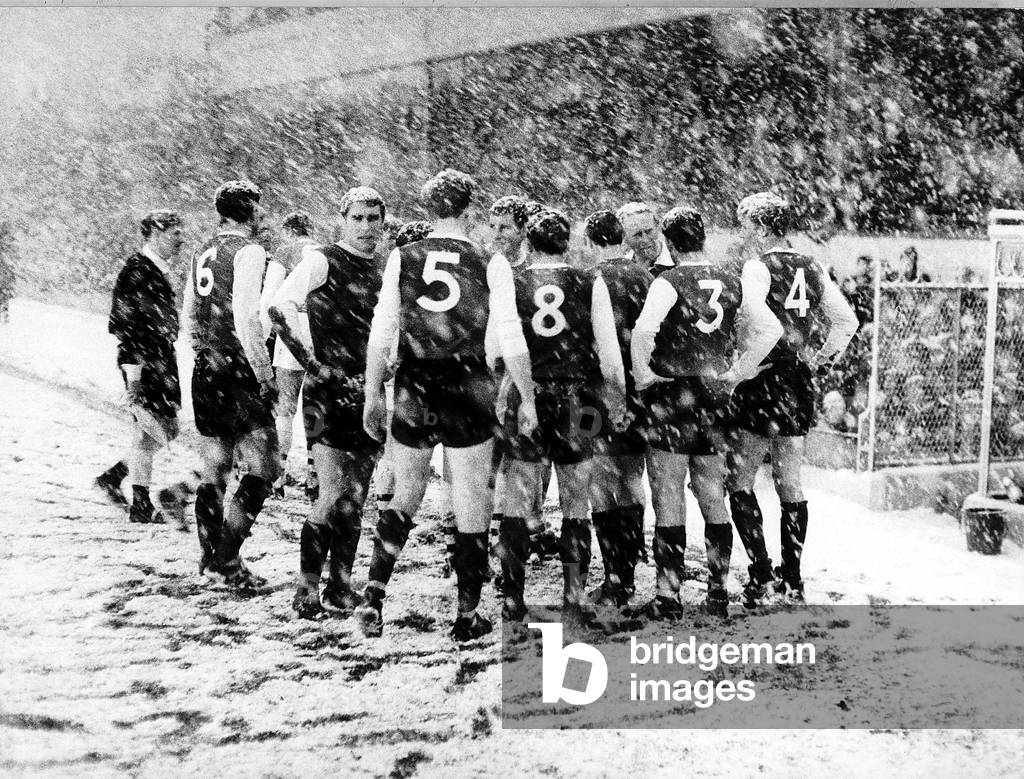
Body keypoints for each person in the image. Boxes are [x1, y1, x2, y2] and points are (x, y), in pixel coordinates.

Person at [359, 168, 537, 641]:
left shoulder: (404, 255)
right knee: (471, 498)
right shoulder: (488, 259)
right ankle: (466, 614)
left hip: (415, 380)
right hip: (467, 380)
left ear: (429, 206)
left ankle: (373, 596)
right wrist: (528, 395)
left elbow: (383, 330)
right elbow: (512, 334)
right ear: (469, 207)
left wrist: (372, 391)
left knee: (407, 493)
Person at [630, 206, 782, 619]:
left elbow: (644, 330)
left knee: (668, 492)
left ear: (670, 242)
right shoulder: (731, 279)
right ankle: (718, 589)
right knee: (712, 491)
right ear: (703, 237)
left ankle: (669, 595)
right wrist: (739, 371)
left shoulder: (669, 280)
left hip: (674, 395)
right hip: (716, 395)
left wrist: (643, 373)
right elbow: (770, 329)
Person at [727, 192, 858, 605]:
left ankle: (761, 573)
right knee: (790, 480)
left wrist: (739, 369)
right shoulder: (812, 264)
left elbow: (752, 322)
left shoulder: (758, 266)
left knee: (741, 477)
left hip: (764, 375)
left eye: (747, 223)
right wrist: (820, 359)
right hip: (798, 380)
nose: (744, 232)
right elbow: (846, 320)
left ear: (762, 226)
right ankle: (794, 577)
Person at [497, 208, 625, 623]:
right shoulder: (590, 282)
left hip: (528, 392)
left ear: (528, 244)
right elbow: (609, 354)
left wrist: (511, 388)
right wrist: (617, 396)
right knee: (575, 502)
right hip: (578, 397)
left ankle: (513, 596)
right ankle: (573, 595)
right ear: (567, 242)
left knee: (517, 498)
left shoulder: (513, 282)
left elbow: (495, 349)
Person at [270, 188, 387, 618]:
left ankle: (340, 585)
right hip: (328, 390)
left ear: (383, 221)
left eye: (373, 218)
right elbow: (279, 307)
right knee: (333, 490)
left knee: (357, 496)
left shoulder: (384, 265)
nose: (366, 226)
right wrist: (311, 361)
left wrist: (385, 368)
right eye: (357, 217)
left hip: (368, 389)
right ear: (343, 219)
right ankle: (305, 588)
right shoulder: (322, 259)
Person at [184, 179, 280, 590]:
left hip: (206, 366)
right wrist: (263, 371)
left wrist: (202, 352)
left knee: (216, 466)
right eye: (258, 207)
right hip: (238, 368)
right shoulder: (250, 251)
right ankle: (228, 559)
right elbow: (246, 317)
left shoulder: (203, 250)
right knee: (265, 465)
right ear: (249, 210)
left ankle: (208, 558)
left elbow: (189, 311)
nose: (262, 214)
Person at [95, 210, 187, 524]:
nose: (180, 238)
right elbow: (124, 326)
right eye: (174, 233)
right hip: (144, 361)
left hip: (160, 358)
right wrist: (134, 375)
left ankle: (114, 476)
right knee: (149, 431)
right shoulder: (136, 270)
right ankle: (141, 505)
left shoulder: (157, 269)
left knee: (165, 429)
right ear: (155, 234)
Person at [581, 209, 652, 607]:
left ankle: (615, 577)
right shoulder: (645, 276)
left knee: (599, 483)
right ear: (622, 239)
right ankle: (629, 562)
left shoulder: (590, 279)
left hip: (595, 393)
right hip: (641, 390)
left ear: (591, 242)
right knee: (631, 477)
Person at [259, 211, 317, 499]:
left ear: (289, 231)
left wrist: (263, 334)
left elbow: (271, 297)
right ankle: (315, 474)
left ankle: (277, 475)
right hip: (321, 330)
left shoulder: (285, 251)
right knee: (315, 407)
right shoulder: (321, 250)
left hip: (292, 326)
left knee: (285, 407)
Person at [617, 201, 674, 276]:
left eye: (648, 232)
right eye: (637, 235)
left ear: (657, 227)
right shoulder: (621, 269)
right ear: (624, 237)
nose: (645, 239)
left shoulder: (676, 261)